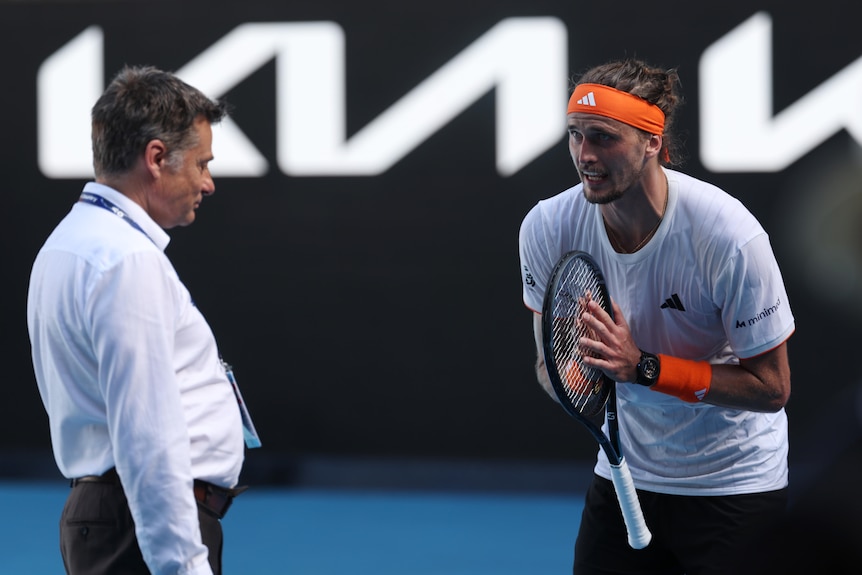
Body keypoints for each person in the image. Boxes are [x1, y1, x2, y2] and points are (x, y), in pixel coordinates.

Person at [518, 59, 795, 574]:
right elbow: (548, 365)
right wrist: (583, 379)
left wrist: (642, 367)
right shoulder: (547, 226)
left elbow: (772, 388)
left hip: (733, 487)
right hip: (625, 481)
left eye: (603, 137)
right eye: (576, 136)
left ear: (652, 142)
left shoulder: (728, 236)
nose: (585, 155)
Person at [27, 65, 257, 575]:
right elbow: (147, 435)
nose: (208, 183)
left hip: (115, 523)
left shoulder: (69, 243)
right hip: (138, 531)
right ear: (156, 158)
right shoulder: (126, 259)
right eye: (201, 164)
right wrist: (184, 566)